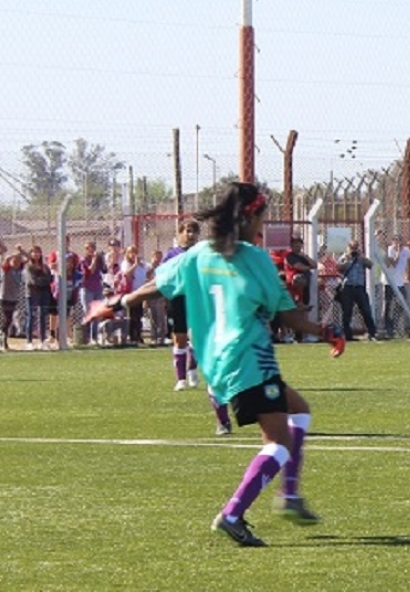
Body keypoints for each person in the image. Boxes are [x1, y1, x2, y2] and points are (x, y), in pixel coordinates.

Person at [88, 182, 346, 547]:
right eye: (261, 214)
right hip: (252, 361)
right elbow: (289, 317)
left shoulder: (198, 255)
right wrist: (327, 331)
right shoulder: (256, 259)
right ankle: (233, 514)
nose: (263, 222)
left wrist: (116, 304)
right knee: (279, 442)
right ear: (247, 217)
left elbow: (157, 286)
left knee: (298, 409)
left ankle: (289, 495)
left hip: (221, 363)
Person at [162, 219, 201, 389]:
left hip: (198, 299)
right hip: (177, 299)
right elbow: (163, 277)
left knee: (198, 337)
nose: (190, 234)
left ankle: (192, 368)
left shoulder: (202, 253)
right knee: (180, 338)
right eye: (187, 231)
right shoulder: (171, 254)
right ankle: (181, 378)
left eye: (193, 231)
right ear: (180, 234)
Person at [337, 239, 377, 341]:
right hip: (348, 287)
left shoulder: (361, 258)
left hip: (359, 287)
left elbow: (371, 265)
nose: (354, 250)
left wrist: (361, 257)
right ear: (348, 248)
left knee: (366, 310)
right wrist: (347, 260)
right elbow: (338, 268)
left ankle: (372, 333)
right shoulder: (344, 257)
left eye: (355, 247)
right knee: (347, 312)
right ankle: (347, 335)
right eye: (352, 248)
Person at [382, 234, 410, 339]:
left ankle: (394, 323)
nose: (397, 243)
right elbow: (394, 263)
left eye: (399, 241)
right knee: (388, 304)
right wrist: (398, 252)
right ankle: (387, 326)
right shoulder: (390, 250)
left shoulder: (406, 250)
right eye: (395, 241)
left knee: (402, 303)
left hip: (399, 282)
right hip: (389, 282)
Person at [23, 246, 54, 351]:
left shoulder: (45, 267)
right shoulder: (28, 266)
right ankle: (29, 342)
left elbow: (50, 278)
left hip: (44, 293)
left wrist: (43, 280)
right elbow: (32, 281)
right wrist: (43, 281)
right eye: (34, 252)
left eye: (38, 252)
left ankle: (42, 341)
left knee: (42, 317)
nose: (36, 254)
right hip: (31, 293)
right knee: (31, 316)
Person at [79, 241, 108, 344]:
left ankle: (94, 337)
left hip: (97, 287)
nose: (90, 250)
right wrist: (94, 259)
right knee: (88, 312)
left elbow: (105, 270)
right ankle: (84, 337)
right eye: (88, 248)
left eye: (92, 248)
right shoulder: (83, 260)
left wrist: (102, 259)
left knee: (96, 313)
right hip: (87, 288)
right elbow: (90, 271)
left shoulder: (99, 259)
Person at [118, 245, 149, 345]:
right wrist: (135, 264)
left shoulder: (142, 265)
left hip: (140, 291)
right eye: (131, 252)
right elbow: (126, 274)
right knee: (132, 315)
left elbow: (145, 274)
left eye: (135, 252)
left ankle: (138, 335)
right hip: (130, 293)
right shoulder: (126, 263)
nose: (133, 254)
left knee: (138, 315)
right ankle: (132, 336)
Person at [1, 246, 28, 350]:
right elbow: (6, 259)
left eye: (18, 261)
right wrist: (15, 254)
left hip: (14, 298)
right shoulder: (7, 269)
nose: (16, 262)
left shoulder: (19, 269)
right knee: (7, 319)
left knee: (9, 319)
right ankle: (4, 339)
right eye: (14, 261)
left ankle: (4, 339)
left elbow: (29, 259)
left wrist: (21, 251)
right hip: (4, 297)